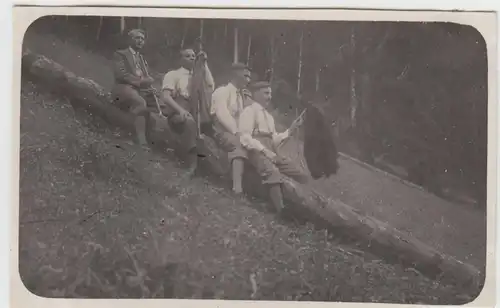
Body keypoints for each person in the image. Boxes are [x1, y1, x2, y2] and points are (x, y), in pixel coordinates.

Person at [238, 81, 309, 213]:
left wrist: (292, 129)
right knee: (273, 172)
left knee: (300, 173)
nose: (269, 97)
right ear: (255, 94)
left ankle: (307, 204)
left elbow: (274, 140)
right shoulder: (249, 111)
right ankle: (280, 210)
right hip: (256, 151)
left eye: (270, 93)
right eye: (266, 93)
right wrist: (264, 150)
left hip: (271, 151)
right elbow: (245, 137)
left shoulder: (269, 117)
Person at [161, 47, 215, 175]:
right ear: (181, 59)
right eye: (187, 56)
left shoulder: (198, 76)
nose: (192, 58)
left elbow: (211, 85)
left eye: (193, 56)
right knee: (190, 123)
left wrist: (204, 63)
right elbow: (166, 97)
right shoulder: (173, 74)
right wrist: (180, 110)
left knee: (211, 130)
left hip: (196, 112)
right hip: (178, 113)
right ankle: (191, 164)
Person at [111, 29, 157, 151]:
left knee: (157, 108)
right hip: (123, 88)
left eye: (142, 39)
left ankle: (141, 138)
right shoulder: (120, 54)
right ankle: (138, 140)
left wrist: (149, 82)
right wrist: (140, 82)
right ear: (130, 40)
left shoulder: (142, 59)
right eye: (137, 38)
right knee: (140, 102)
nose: (140, 41)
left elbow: (146, 77)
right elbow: (121, 74)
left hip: (139, 91)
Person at [210, 63, 252, 195]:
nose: (248, 80)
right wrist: (237, 132)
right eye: (245, 76)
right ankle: (237, 188)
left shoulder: (241, 96)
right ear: (235, 75)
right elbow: (222, 114)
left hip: (235, 131)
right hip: (220, 130)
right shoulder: (222, 91)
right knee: (239, 145)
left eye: (249, 77)